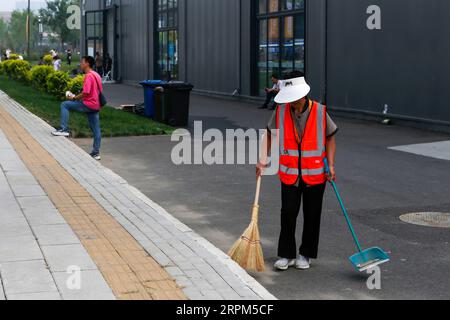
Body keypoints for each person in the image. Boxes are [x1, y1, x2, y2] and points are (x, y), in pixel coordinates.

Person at [257, 70, 338, 271]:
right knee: (288, 213)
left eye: (294, 99)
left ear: (303, 95)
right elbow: (269, 135)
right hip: (290, 172)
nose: (291, 102)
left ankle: (306, 254)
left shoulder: (320, 111)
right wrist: (262, 159)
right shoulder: (281, 111)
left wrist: (332, 165)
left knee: (312, 215)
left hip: (315, 174)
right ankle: (286, 254)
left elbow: (330, 138)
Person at [51, 56, 103, 161]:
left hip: (88, 104)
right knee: (96, 129)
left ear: (87, 63)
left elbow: (86, 93)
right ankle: (96, 153)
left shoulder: (88, 76)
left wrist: (74, 97)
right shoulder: (97, 75)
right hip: (96, 105)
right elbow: (98, 91)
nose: (80, 64)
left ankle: (63, 129)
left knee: (65, 104)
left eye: (82, 62)